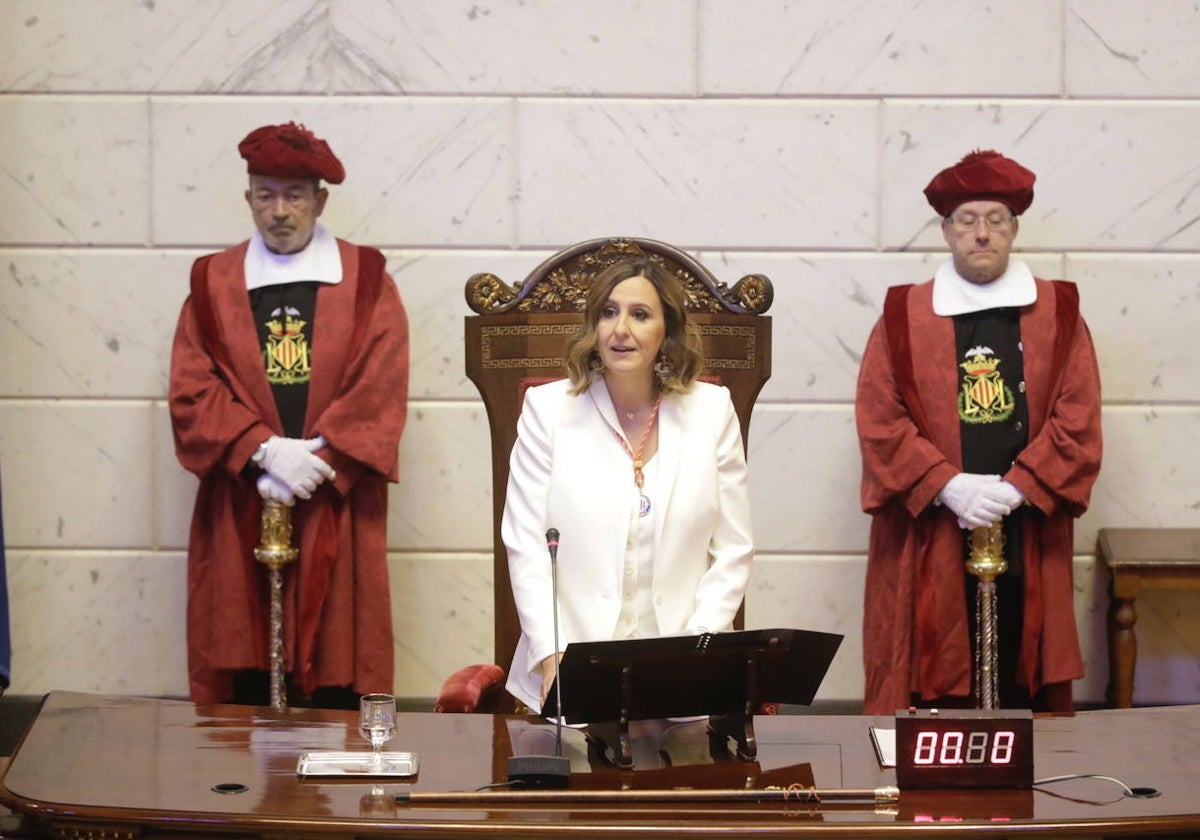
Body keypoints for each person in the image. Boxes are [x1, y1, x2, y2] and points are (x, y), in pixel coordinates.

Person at [169, 122, 409, 707]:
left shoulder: (366, 280)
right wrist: (264, 451)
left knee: (338, 652)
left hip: (332, 498)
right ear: (248, 197)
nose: (280, 211)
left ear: (320, 199)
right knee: (240, 651)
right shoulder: (212, 282)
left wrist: (316, 460)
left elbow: (381, 385)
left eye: (295, 195)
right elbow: (191, 388)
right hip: (243, 494)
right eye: (266, 194)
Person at [855, 149, 1102, 714]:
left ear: (1015, 227)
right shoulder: (904, 315)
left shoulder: (1058, 313)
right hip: (934, 527)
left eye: (995, 220)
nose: (982, 234)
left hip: (1027, 524)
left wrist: (1019, 487)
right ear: (946, 230)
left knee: (1024, 669)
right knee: (928, 661)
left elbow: (1078, 414)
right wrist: (950, 487)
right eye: (967, 221)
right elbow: (879, 419)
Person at [502, 257, 755, 712]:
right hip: (571, 673)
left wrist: (696, 655)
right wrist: (552, 658)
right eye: (608, 312)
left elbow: (734, 550)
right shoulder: (547, 410)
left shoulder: (712, 410)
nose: (621, 329)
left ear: (667, 331)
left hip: (684, 679)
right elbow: (525, 546)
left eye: (640, 314)